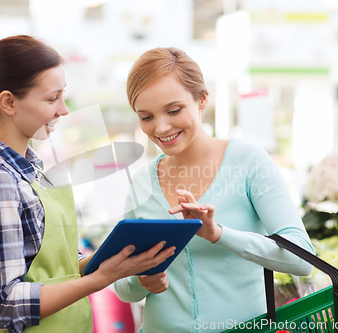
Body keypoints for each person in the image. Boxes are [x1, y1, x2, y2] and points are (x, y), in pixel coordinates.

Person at [0, 35, 175, 333]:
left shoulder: (31, 168)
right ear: (8, 102)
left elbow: (54, 269)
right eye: (51, 98)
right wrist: (100, 278)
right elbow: (3, 306)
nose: (64, 109)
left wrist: (114, 259)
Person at [114, 47, 315, 332]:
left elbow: (302, 258)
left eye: (174, 110)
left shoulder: (249, 162)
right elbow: (124, 289)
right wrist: (141, 280)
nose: (161, 127)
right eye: (146, 117)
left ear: (202, 99)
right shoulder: (142, 183)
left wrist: (219, 234)